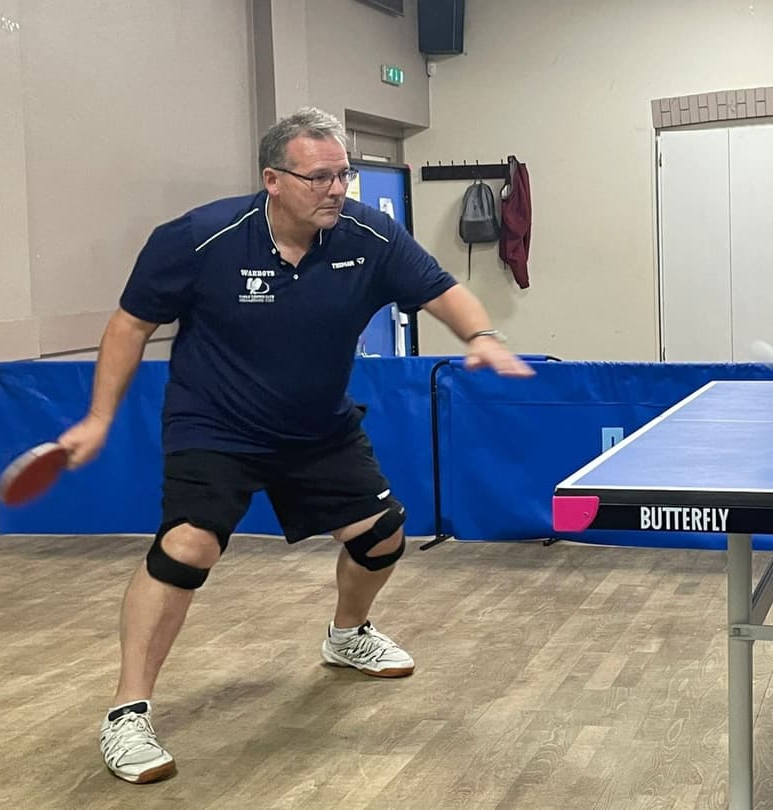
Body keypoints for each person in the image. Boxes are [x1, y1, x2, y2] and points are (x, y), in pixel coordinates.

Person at [58, 106, 535, 785]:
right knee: (187, 544)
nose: (337, 189)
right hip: (216, 425)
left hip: (317, 428)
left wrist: (482, 337)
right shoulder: (199, 238)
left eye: (343, 174)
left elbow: (441, 290)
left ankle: (346, 635)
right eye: (319, 177)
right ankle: (127, 712)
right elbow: (131, 324)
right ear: (273, 180)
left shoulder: (370, 235)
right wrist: (100, 417)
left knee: (382, 538)